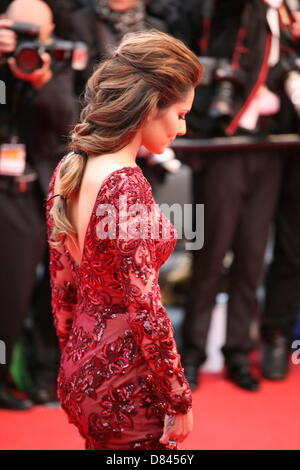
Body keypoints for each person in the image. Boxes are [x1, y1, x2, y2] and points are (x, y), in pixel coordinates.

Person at [46, 30, 202, 450]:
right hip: (127, 385)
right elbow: (145, 306)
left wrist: (71, 356)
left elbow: (63, 284)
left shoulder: (69, 167)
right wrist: (178, 397)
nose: (183, 128)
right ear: (152, 106)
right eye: (181, 114)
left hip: (80, 369)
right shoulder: (125, 185)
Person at [180, 0, 287, 392]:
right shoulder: (232, 11)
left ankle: (238, 352)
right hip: (223, 145)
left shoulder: (285, 17)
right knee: (209, 258)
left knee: (252, 258)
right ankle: (190, 355)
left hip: (271, 146)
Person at [0, 0, 78, 410]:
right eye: (19, 30)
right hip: (5, 191)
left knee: (34, 291)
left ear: (49, 32)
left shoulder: (58, 60)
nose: (27, 41)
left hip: (35, 196)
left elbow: (69, 119)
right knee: (7, 293)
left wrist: (41, 80)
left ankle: (31, 375)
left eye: (36, 32)